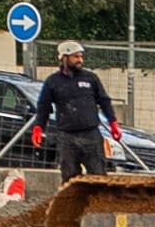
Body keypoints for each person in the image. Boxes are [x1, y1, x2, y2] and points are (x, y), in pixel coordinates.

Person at [30, 39, 119, 178]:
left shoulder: (90, 78)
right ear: (65, 58)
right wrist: (38, 128)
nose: (80, 60)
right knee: (69, 175)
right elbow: (43, 107)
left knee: (98, 174)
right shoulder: (53, 81)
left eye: (81, 56)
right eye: (76, 56)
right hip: (67, 137)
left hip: (91, 135)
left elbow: (104, 101)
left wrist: (113, 123)